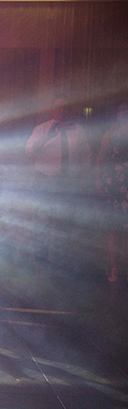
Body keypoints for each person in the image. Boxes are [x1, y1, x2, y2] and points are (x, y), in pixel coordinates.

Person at [25, 93, 93, 274]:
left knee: (64, 221)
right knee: (42, 219)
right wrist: (46, 138)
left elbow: (86, 155)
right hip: (45, 179)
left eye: (65, 107)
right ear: (52, 109)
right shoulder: (41, 129)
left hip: (68, 181)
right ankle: (40, 260)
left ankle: (59, 262)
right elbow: (29, 151)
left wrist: (83, 177)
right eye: (59, 107)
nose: (62, 111)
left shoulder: (77, 130)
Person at [95, 99, 128, 282]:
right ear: (117, 114)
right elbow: (100, 159)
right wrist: (98, 180)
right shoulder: (110, 133)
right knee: (113, 228)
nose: (124, 114)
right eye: (121, 110)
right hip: (113, 183)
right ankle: (114, 268)